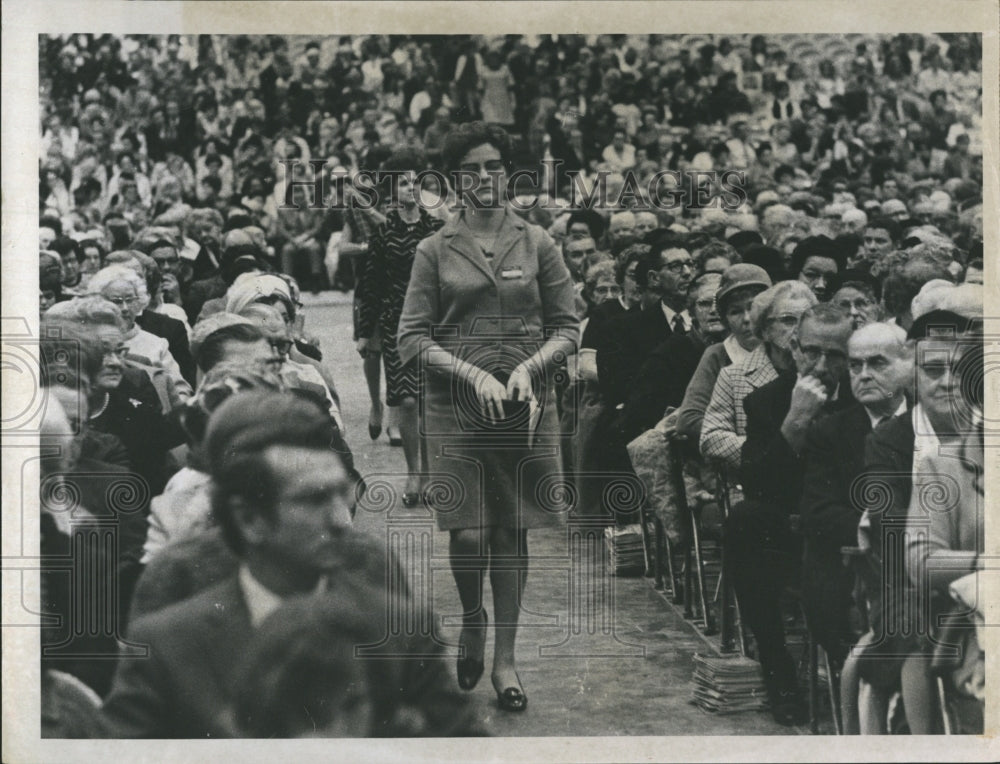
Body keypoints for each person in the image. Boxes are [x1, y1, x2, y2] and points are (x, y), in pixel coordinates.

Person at [397, 122, 578, 712]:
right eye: (471, 169)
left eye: (494, 167)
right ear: (454, 179)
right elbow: (411, 338)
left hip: (522, 408)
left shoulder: (538, 241)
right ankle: (472, 618)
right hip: (455, 407)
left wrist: (530, 368)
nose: (484, 179)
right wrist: (471, 371)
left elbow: (568, 328)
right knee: (469, 532)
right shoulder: (433, 248)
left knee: (510, 531)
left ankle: (505, 657)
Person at [99, 392, 363, 737]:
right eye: (313, 499)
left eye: (342, 494)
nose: (342, 521)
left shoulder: (374, 579)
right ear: (250, 520)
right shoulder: (169, 625)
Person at [728, 303, 856, 725]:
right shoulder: (768, 401)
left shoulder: (864, 395)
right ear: (795, 348)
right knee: (746, 519)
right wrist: (796, 421)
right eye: (812, 351)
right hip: (788, 533)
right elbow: (758, 483)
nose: (822, 365)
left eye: (836, 355)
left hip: (847, 528)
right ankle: (777, 667)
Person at [799, 323, 910, 672]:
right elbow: (817, 511)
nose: (863, 375)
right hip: (860, 562)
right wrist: (872, 525)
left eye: (877, 364)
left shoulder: (930, 419)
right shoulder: (829, 431)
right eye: (854, 366)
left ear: (908, 365)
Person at [368, 149, 445, 504]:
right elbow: (374, 283)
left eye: (414, 181)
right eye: (402, 182)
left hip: (434, 320)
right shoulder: (384, 232)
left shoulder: (437, 229)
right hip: (397, 321)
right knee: (408, 400)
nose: (409, 187)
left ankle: (431, 473)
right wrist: (368, 330)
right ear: (391, 191)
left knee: (429, 398)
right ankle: (414, 472)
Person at [700, 281, 815, 471]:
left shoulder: (822, 372)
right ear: (764, 329)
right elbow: (711, 438)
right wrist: (768, 451)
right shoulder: (733, 376)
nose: (798, 329)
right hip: (752, 483)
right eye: (788, 320)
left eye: (805, 320)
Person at [676, 263, 771, 443]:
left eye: (752, 307)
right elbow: (688, 418)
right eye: (735, 312)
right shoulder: (718, 355)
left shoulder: (783, 350)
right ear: (725, 318)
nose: (746, 319)